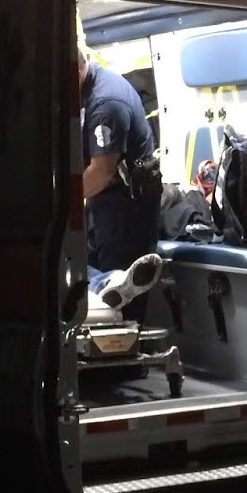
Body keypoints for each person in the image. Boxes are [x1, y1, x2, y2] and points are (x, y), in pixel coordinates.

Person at [79, 44, 161, 317]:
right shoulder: (88, 89)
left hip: (126, 208)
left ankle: (125, 333)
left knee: (124, 302)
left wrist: (57, 203)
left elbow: (101, 172)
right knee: (91, 273)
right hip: (105, 202)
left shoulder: (106, 102)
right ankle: (105, 283)